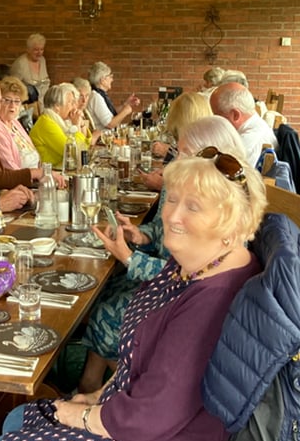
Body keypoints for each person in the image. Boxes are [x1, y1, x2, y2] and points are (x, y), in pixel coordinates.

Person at [0, 137, 266, 441]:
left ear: (231, 222)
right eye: (172, 198)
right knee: (18, 418)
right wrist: (98, 395)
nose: (172, 215)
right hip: (139, 416)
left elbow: (155, 414)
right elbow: (142, 361)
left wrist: (85, 416)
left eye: (193, 207)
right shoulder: (195, 265)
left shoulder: (212, 298)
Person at [79, 114, 246, 393]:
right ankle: (94, 383)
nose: (174, 159)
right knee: (105, 291)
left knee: (107, 312)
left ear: (210, 155)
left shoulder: (215, 207)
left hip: (180, 299)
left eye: (182, 153)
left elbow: (191, 276)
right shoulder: (194, 190)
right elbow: (163, 232)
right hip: (167, 283)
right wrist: (141, 234)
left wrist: (130, 258)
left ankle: (121, 390)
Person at [141, 91, 212, 191]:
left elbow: (194, 194)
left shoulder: (201, 154)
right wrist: (167, 172)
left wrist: (163, 186)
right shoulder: (207, 142)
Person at [210, 82, 278, 166]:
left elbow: (222, 174)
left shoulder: (248, 141)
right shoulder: (254, 123)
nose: (216, 120)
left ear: (235, 115)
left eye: (217, 115)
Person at [29, 82, 88, 168]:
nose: (74, 108)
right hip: (50, 174)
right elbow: (74, 154)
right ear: (57, 106)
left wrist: (81, 124)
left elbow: (85, 148)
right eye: (71, 103)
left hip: (61, 171)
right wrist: (76, 125)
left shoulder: (61, 122)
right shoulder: (46, 124)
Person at [0, 76, 40, 170]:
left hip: (34, 177)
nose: (12, 106)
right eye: (7, 100)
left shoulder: (15, 123)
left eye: (17, 101)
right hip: (19, 181)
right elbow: (8, 165)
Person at [87, 61, 140, 130]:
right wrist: (125, 111)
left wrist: (126, 104)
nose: (112, 79)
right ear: (102, 80)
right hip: (103, 138)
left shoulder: (100, 94)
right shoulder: (96, 97)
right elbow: (109, 124)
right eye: (110, 76)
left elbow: (110, 114)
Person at [11, 33, 51, 109]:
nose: (39, 53)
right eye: (36, 50)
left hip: (45, 104)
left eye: (41, 49)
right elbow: (13, 87)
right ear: (28, 49)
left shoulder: (42, 60)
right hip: (29, 107)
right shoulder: (20, 63)